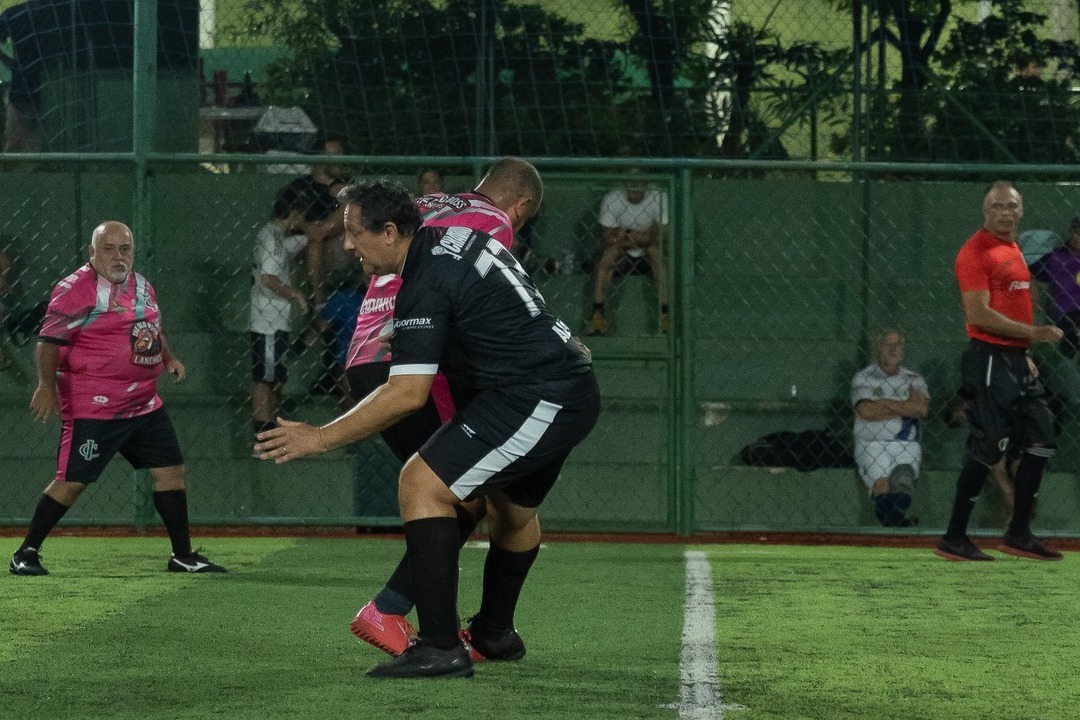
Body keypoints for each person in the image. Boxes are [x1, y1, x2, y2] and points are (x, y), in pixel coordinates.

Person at [255, 176, 599, 679]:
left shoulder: (424, 278)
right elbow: (497, 310)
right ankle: (494, 633)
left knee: (421, 483)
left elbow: (407, 395)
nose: (347, 246)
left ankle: (439, 646)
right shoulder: (456, 240)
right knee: (512, 511)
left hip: (535, 395)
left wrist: (319, 437)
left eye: (354, 233)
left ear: (390, 232)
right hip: (556, 386)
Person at [345, 158, 537, 659]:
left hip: (367, 356)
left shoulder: (425, 204)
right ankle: (390, 609)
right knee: (462, 495)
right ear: (521, 207)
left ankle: (456, 630)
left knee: (456, 493)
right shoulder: (495, 222)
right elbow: (475, 299)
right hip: (415, 361)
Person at [9, 221, 226, 576]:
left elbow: (151, 327)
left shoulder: (142, 285)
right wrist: (45, 385)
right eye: (108, 249)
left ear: (134, 251)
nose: (118, 256)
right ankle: (25, 553)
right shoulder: (75, 289)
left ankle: (182, 556)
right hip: (96, 405)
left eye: (125, 249)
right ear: (92, 253)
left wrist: (168, 358)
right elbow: (47, 342)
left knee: (171, 472)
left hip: (144, 404)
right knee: (72, 481)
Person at [935, 180, 1064, 562]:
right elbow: (978, 314)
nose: (1005, 213)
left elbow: (1012, 305)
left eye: (1011, 206)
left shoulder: (1013, 248)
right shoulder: (975, 252)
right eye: (997, 206)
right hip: (990, 358)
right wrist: (1034, 334)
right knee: (988, 447)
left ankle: (1019, 534)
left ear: (1021, 210)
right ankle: (954, 538)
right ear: (984, 210)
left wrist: (1024, 351)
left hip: (1014, 358)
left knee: (1042, 437)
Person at [250, 187, 312, 437]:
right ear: (294, 213)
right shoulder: (272, 239)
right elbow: (268, 277)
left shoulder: (274, 235)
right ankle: (262, 435)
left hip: (276, 320)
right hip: (268, 320)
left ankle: (269, 430)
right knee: (265, 379)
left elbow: (292, 247)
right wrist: (295, 294)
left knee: (275, 377)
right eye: (302, 215)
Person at [851, 328, 929, 527]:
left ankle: (893, 522)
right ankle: (895, 524)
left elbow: (920, 409)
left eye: (898, 344)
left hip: (906, 443)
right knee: (882, 485)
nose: (894, 349)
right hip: (872, 444)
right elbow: (866, 411)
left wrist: (883, 403)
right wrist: (904, 406)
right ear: (879, 347)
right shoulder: (864, 377)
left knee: (903, 485)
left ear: (904, 348)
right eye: (888, 344)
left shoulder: (913, 378)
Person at [586, 172, 670, 336]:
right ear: (624, 180)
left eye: (639, 177)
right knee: (608, 256)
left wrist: (625, 233)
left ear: (646, 180)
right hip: (622, 252)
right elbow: (608, 238)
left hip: (647, 250)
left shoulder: (659, 196)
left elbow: (661, 236)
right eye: (631, 177)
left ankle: (665, 316)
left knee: (656, 253)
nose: (635, 182)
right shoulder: (612, 198)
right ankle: (597, 316)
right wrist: (641, 237)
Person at [0, 0, 48, 153]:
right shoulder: (18, 13)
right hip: (27, 86)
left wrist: (11, 62)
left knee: (23, 145)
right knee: (19, 144)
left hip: (29, 86)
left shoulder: (16, 13)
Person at [1030, 216, 1080, 357]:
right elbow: (1027, 272)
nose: (1078, 238)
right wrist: (1033, 290)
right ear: (1071, 233)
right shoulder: (1056, 258)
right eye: (1076, 233)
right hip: (1064, 316)